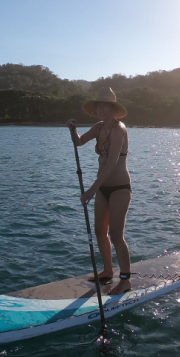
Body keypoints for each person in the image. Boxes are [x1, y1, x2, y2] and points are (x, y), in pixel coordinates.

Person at [66, 88, 132, 294]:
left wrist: (90, 191)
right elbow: (78, 142)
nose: (101, 110)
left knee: (116, 235)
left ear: (113, 109)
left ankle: (125, 280)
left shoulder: (119, 129)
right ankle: (108, 270)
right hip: (102, 188)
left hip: (119, 188)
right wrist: (72, 130)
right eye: (98, 106)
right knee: (99, 232)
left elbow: (111, 163)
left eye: (105, 106)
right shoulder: (98, 127)